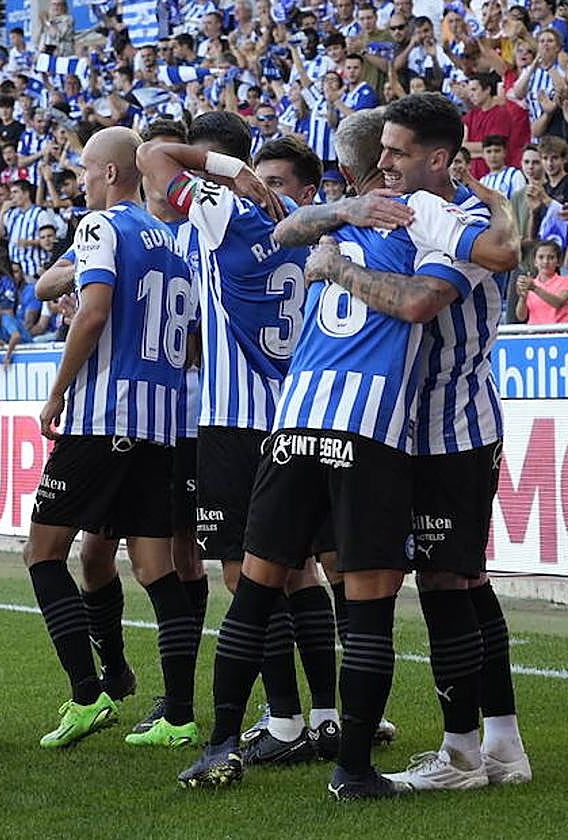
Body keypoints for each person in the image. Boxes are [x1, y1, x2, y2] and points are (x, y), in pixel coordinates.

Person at [189, 96, 518, 799]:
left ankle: (482, 744)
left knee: (434, 581)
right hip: (381, 433)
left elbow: (430, 291)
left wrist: (334, 259)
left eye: (397, 153)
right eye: (385, 154)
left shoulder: (417, 215)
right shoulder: (400, 213)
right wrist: (340, 218)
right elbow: (309, 234)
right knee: (392, 597)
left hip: (372, 424)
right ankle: (372, 763)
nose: (386, 165)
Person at [137, 113, 345, 767]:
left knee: (245, 573)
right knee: (301, 569)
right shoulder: (301, 218)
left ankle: (282, 721)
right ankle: (329, 717)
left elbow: (149, 155)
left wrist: (226, 171)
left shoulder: (226, 209)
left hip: (236, 421)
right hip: (298, 414)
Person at [23, 126, 198, 750]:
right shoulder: (178, 243)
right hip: (164, 424)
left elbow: (93, 312)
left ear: (115, 175)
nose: (82, 182)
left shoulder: (102, 228)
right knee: (156, 569)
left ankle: (86, 694)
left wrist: (58, 390)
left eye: (87, 171)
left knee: (42, 555)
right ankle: (179, 715)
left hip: (105, 421)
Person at [516, 240, 568, 322]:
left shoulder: (565, 282)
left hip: (559, 333)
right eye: (541, 257)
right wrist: (523, 297)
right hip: (535, 332)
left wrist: (535, 288)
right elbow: (521, 317)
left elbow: (558, 303)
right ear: (535, 262)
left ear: (558, 262)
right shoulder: (530, 284)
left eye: (551, 257)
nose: (545, 261)